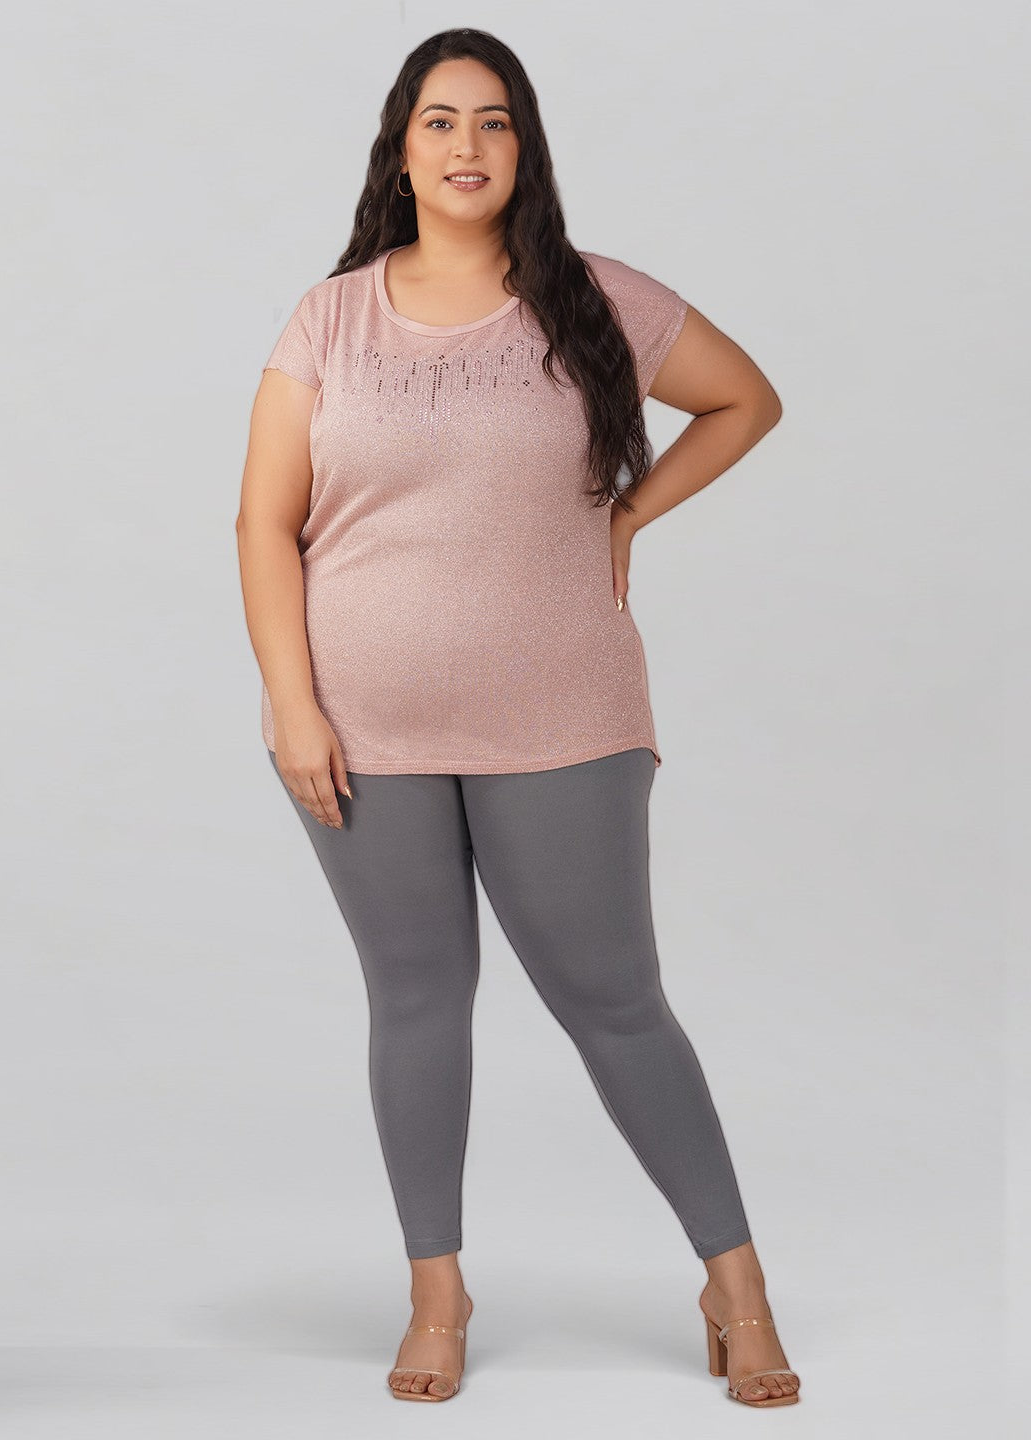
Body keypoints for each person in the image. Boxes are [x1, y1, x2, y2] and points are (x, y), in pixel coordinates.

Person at [236, 26, 801, 1409]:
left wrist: (629, 513)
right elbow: (263, 522)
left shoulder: (597, 298)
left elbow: (746, 400)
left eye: (494, 121)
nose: (468, 145)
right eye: (440, 121)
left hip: (566, 716)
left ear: (525, 147)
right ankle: (438, 1293)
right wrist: (295, 705)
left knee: (615, 1002)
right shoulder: (330, 318)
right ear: (402, 148)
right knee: (418, 999)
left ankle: (735, 1283)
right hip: (364, 727)